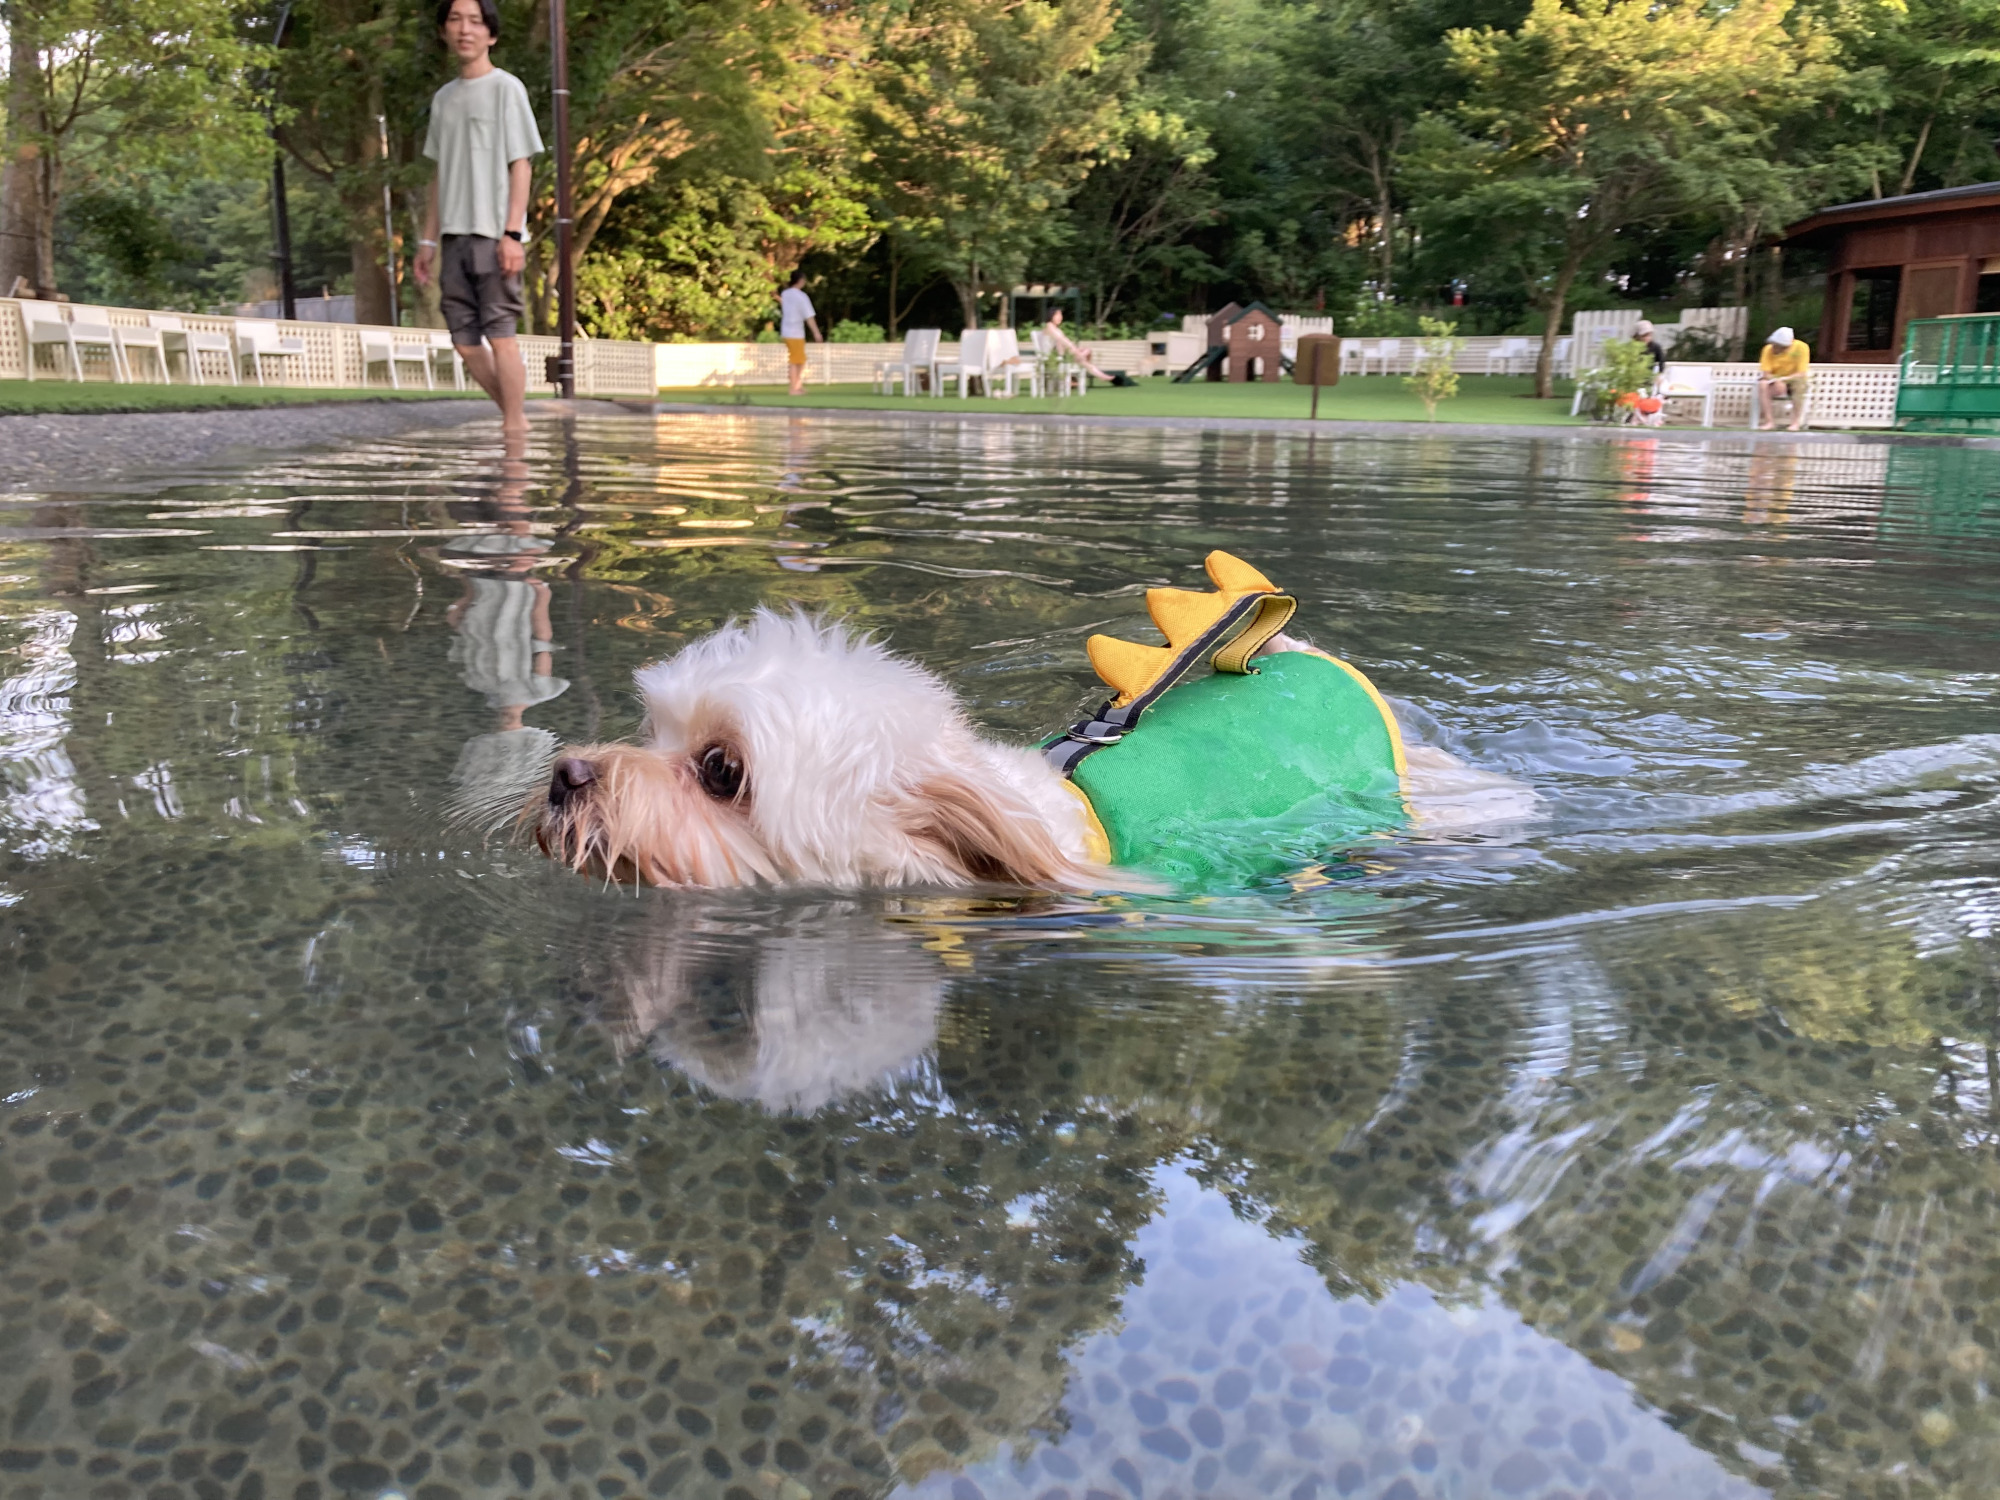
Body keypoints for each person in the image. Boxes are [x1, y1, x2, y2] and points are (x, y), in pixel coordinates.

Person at [412, 0, 544, 437]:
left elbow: (521, 164)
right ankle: (517, 418)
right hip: (452, 238)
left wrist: (512, 233)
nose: (464, 29)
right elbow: (439, 175)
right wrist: (427, 242)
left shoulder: (508, 89)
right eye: (455, 20)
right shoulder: (442, 99)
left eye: (475, 21)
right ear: (445, 32)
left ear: (491, 34)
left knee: (501, 334)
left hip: (494, 235)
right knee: (465, 343)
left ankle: (513, 430)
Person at [1043, 308, 1134, 388]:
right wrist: (1075, 351)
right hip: (1054, 358)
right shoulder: (1050, 327)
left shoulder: (1055, 329)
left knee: (1086, 353)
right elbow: (1062, 340)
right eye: (1058, 315)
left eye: (1061, 315)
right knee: (1084, 355)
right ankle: (1099, 375)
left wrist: (1075, 350)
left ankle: (1098, 375)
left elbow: (1065, 341)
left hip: (1062, 356)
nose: (1060, 317)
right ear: (1051, 316)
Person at [1757, 325, 1811, 431]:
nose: (1773, 347)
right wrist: (1776, 379)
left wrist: (1783, 380)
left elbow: (1801, 373)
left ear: (1784, 346)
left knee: (1799, 386)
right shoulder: (1767, 349)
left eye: (1776, 345)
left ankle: (1795, 423)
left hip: (1794, 379)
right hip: (1775, 380)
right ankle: (1769, 422)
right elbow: (1766, 374)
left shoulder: (1801, 347)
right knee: (1762, 385)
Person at [780, 270, 822, 395]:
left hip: (787, 330)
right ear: (801, 281)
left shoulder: (785, 293)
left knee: (800, 360)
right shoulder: (801, 296)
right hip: (795, 332)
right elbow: (809, 316)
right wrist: (816, 333)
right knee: (795, 360)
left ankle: (797, 385)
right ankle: (793, 389)